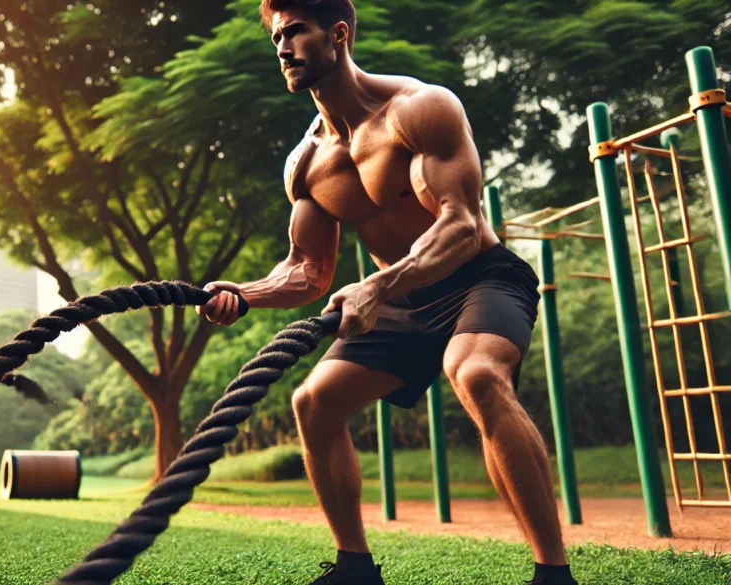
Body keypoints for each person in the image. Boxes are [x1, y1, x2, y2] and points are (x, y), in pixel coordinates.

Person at [196, 1, 578, 584]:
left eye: (296, 30)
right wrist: (244, 293)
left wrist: (376, 286)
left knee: (475, 374)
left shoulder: (419, 109)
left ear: (339, 35)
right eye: (277, 35)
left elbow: (461, 225)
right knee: (313, 401)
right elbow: (307, 271)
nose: (282, 45)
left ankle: (554, 574)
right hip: (400, 302)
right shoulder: (306, 166)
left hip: (479, 276)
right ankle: (355, 568)